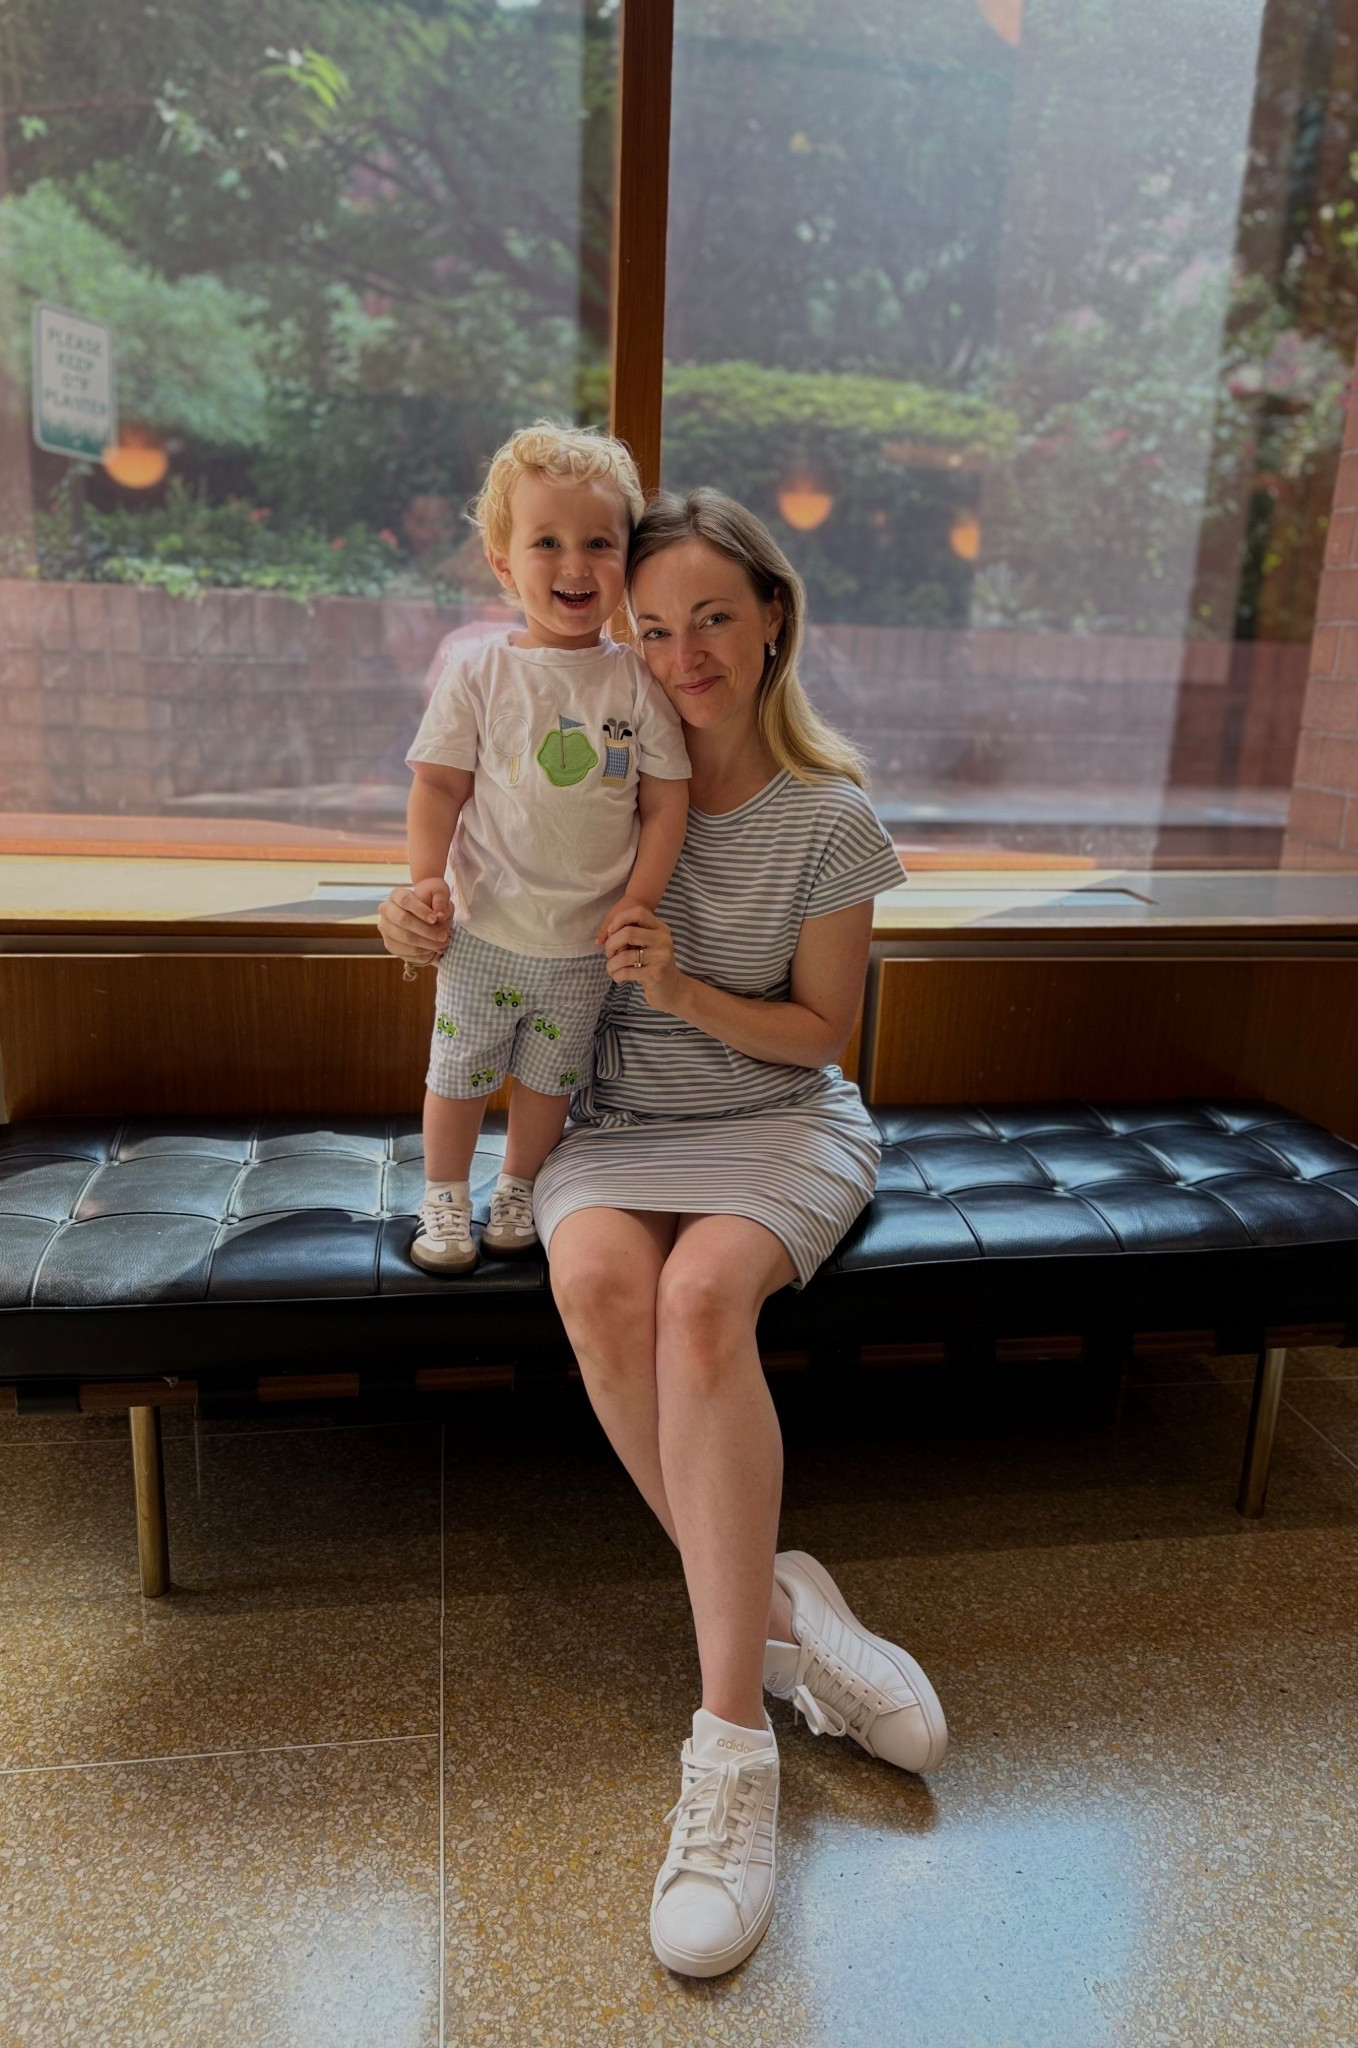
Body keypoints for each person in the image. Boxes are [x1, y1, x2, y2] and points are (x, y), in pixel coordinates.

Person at [380, 487, 946, 1978]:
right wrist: (413, 914)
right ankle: (775, 1599)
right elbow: (458, 878)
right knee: (598, 1284)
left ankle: (733, 1752)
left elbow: (821, 1041)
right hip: (613, 1130)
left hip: (777, 1120)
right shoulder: (589, 772)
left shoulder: (831, 819)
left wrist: (684, 985)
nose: (683, 654)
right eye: (653, 626)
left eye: (712, 619)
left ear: (772, 621)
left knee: (705, 1301)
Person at [403, 421, 691, 1275]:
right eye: (547, 543)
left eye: (600, 543)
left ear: (628, 561)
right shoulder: (478, 672)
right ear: (502, 562)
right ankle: (444, 1196)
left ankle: (518, 1185)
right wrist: (424, 881)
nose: (575, 565)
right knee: (456, 1075)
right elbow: (437, 787)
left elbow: (665, 806)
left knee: (546, 1084)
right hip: (484, 931)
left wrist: (637, 900)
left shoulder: (636, 679)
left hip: (583, 947)